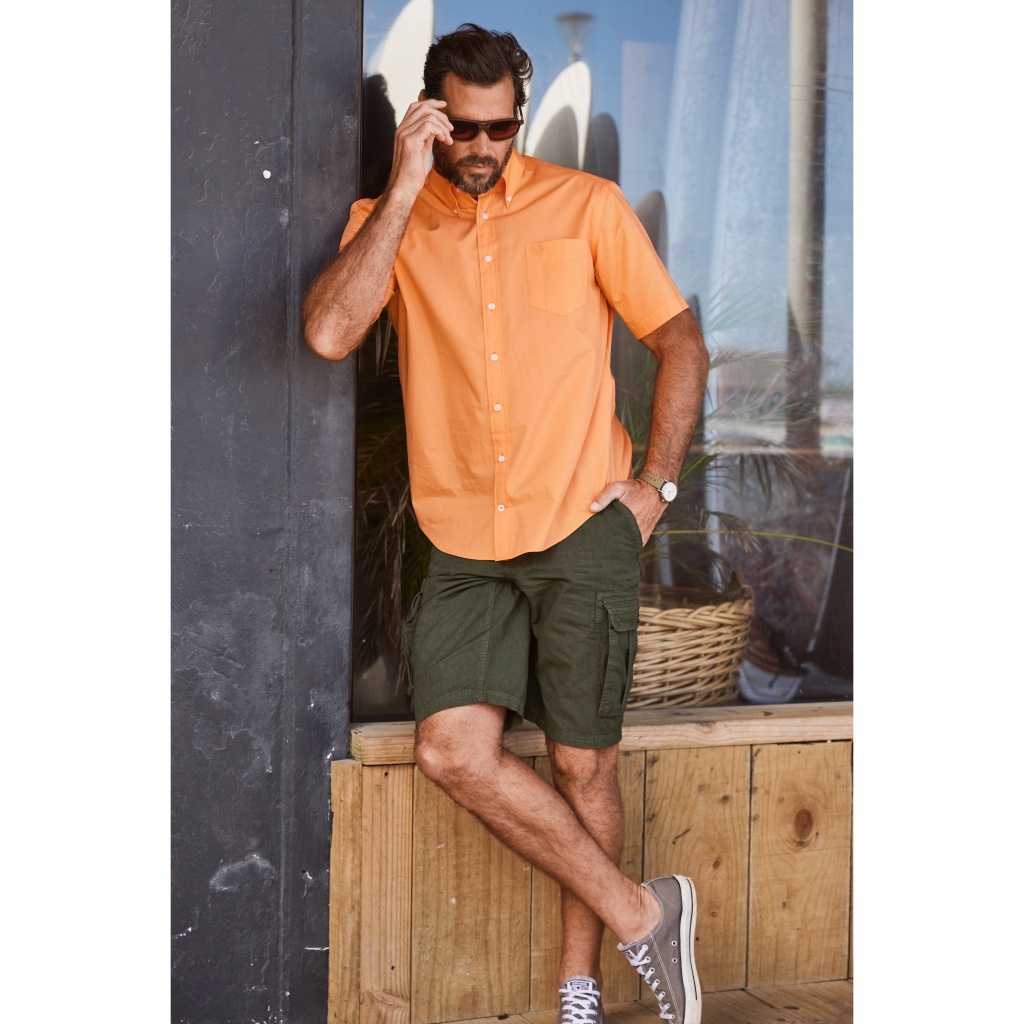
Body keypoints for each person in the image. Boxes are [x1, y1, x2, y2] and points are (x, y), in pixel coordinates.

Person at [304, 23, 710, 1024]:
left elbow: (680, 343)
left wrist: (655, 486)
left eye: (501, 127)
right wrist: (404, 186)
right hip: (459, 538)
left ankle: (579, 988)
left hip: (581, 520)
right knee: (451, 751)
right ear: (429, 118)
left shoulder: (587, 206)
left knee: (582, 762)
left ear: (518, 117)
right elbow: (329, 332)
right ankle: (644, 911)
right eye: (464, 128)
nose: (484, 146)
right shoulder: (389, 220)